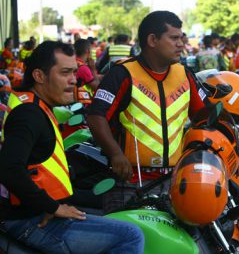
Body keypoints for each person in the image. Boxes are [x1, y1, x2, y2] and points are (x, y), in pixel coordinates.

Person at [0, 41, 144, 253]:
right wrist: (52, 207)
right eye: (65, 73)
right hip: (27, 220)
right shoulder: (29, 114)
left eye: (75, 73)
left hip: (33, 212)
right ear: (39, 76)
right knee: (130, 235)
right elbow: (9, 168)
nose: (74, 81)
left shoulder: (36, 107)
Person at [86, 11, 205, 213]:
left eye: (181, 38)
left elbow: (204, 115)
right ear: (152, 40)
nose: (181, 44)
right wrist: (115, 154)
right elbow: (96, 116)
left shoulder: (185, 74)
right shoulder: (122, 73)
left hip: (174, 180)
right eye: (174, 38)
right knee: (131, 243)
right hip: (129, 183)